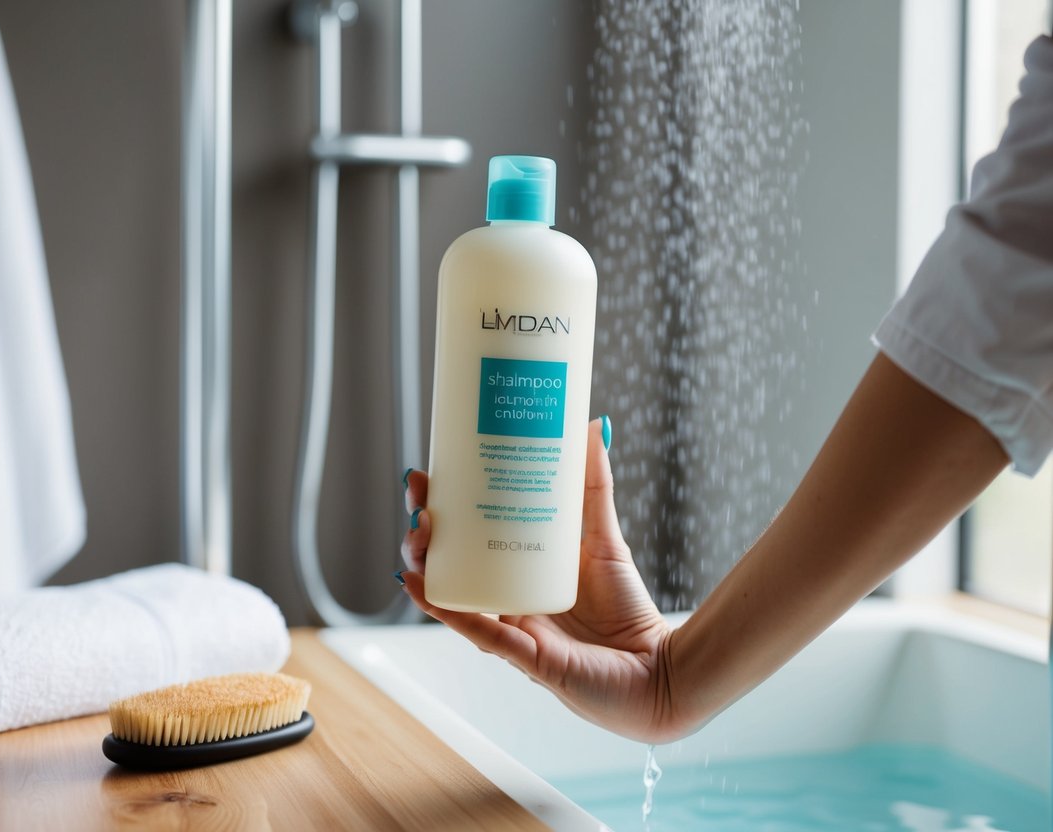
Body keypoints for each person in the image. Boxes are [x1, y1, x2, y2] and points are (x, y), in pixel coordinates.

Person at [394, 32, 1053, 745]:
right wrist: (670, 681)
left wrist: (675, 682)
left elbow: (1004, 285)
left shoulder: (542, 264)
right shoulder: (481, 259)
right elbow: (1007, 284)